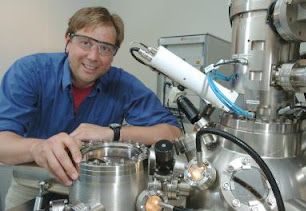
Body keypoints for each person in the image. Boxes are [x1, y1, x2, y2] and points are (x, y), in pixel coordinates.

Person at [0, 6, 182, 209]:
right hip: (35, 182)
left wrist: (112, 133)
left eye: (105, 48)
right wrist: (38, 148)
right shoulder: (30, 71)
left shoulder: (124, 84)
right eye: (85, 43)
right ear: (68, 41)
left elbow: (173, 133)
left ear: (113, 54)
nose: (93, 56)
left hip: (99, 189)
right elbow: (2, 143)